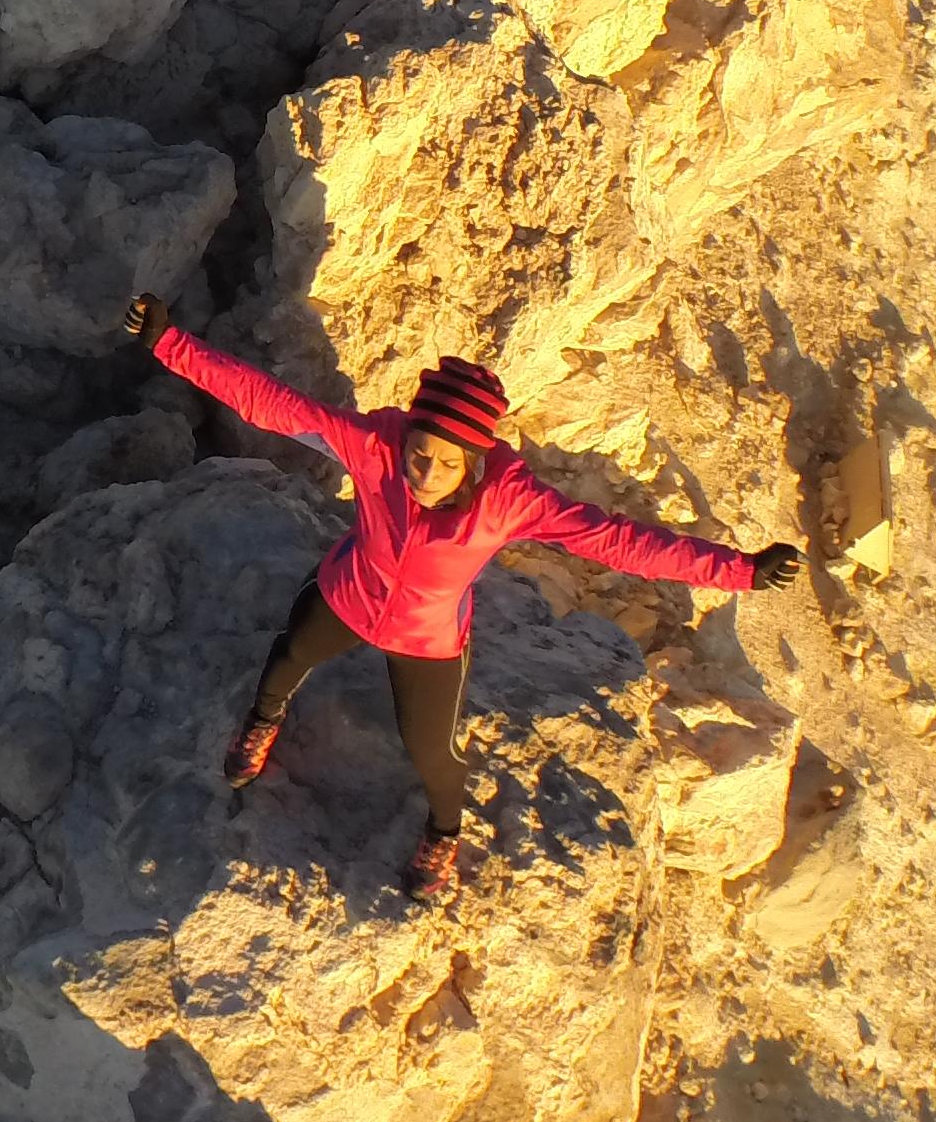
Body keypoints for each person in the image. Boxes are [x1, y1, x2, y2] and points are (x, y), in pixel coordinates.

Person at [122, 293, 804, 903]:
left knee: (434, 758)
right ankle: (264, 725)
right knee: (285, 663)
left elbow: (619, 542)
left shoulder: (509, 503)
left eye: (448, 463)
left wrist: (738, 571)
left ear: (476, 460)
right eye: (419, 453)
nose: (425, 473)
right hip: (347, 593)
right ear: (407, 434)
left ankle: (444, 832)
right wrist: (167, 342)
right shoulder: (375, 447)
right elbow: (269, 403)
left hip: (426, 638)